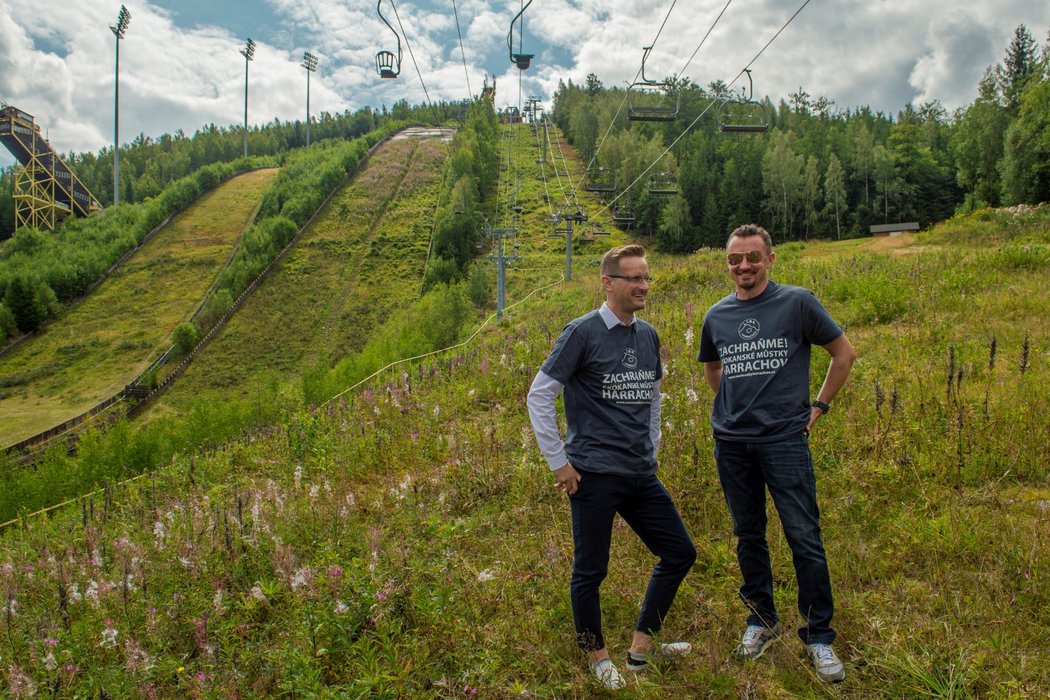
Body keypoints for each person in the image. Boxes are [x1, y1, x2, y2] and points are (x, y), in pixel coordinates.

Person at [527, 244, 697, 690]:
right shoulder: (581, 332)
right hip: (594, 476)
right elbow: (539, 395)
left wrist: (652, 445)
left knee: (680, 552)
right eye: (634, 278)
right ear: (608, 282)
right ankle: (596, 656)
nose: (643, 286)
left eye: (646, 278)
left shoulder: (648, 334)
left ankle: (644, 645)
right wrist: (558, 463)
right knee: (591, 571)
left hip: (640, 473)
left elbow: (654, 396)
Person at [697, 224, 856, 683]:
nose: (742, 266)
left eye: (751, 257)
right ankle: (761, 622)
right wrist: (731, 409)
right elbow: (713, 368)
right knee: (748, 535)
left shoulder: (797, 302)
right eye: (734, 259)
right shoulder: (717, 315)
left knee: (803, 535)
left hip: (784, 441)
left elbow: (842, 354)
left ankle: (819, 636)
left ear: (770, 259)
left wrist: (819, 407)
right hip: (731, 444)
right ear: (727, 264)